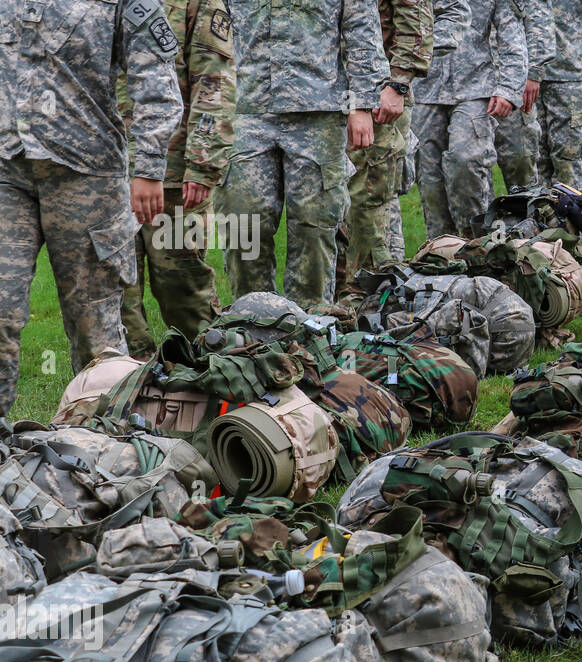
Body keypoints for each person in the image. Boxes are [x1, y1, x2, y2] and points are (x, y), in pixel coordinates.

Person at [0, 0, 183, 417]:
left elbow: (156, 83)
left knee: (94, 332)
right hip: (6, 170)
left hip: (86, 175)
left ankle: (101, 447)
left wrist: (150, 167)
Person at [219, 0, 389, 310]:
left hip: (318, 112)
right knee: (242, 225)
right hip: (244, 109)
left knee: (315, 229)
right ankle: (252, 326)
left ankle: (309, 333)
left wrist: (362, 103)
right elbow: (209, 29)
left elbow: (362, 26)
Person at [118, 0, 235, 360]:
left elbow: (214, 79)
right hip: (102, 168)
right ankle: (127, 382)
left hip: (173, 171)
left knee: (181, 286)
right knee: (114, 290)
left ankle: (206, 373)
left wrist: (203, 161)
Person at [340, 0, 467, 290]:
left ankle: (367, 294)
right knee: (337, 201)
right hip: (331, 86)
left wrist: (398, 83)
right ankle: (342, 297)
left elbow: (415, 14)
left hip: (379, 90)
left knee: (370, 196)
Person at [411, 0, 526, 238]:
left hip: (475, 87)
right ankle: (442, 251)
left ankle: (479, 243)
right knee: (429, 178)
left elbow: (512, 35)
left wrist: (508, 88)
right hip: (425, 86)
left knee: (467, 162)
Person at [495, 0, 557, 191]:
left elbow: (539, 18)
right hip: (465, 82)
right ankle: (481, 219)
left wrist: (533, 72)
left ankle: (526, 214)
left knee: (519, 157)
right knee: (467, 167)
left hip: (512, 77)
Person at [537, 0, 582, 188]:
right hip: (530, 75)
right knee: (535, 157)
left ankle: (571, 213)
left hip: (571, 75)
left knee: (568, 155)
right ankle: (536, 213)